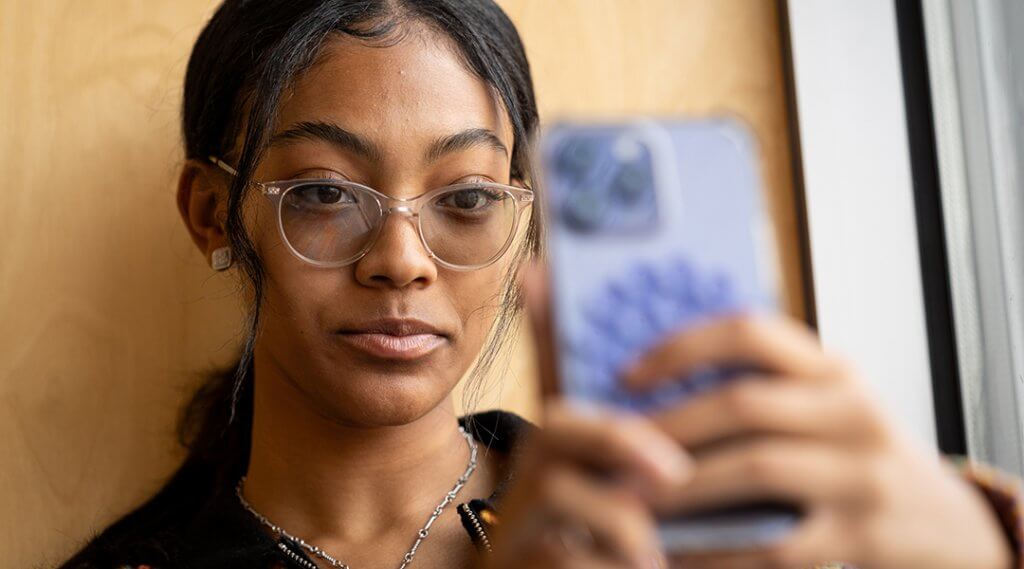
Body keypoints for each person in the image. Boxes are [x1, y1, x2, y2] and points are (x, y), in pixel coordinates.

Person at [61, 1, 1023, 568]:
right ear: (211, 213)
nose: (402, 259)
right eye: (324, 190)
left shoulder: (693, 512)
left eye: (469, 197)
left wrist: (980, 541)